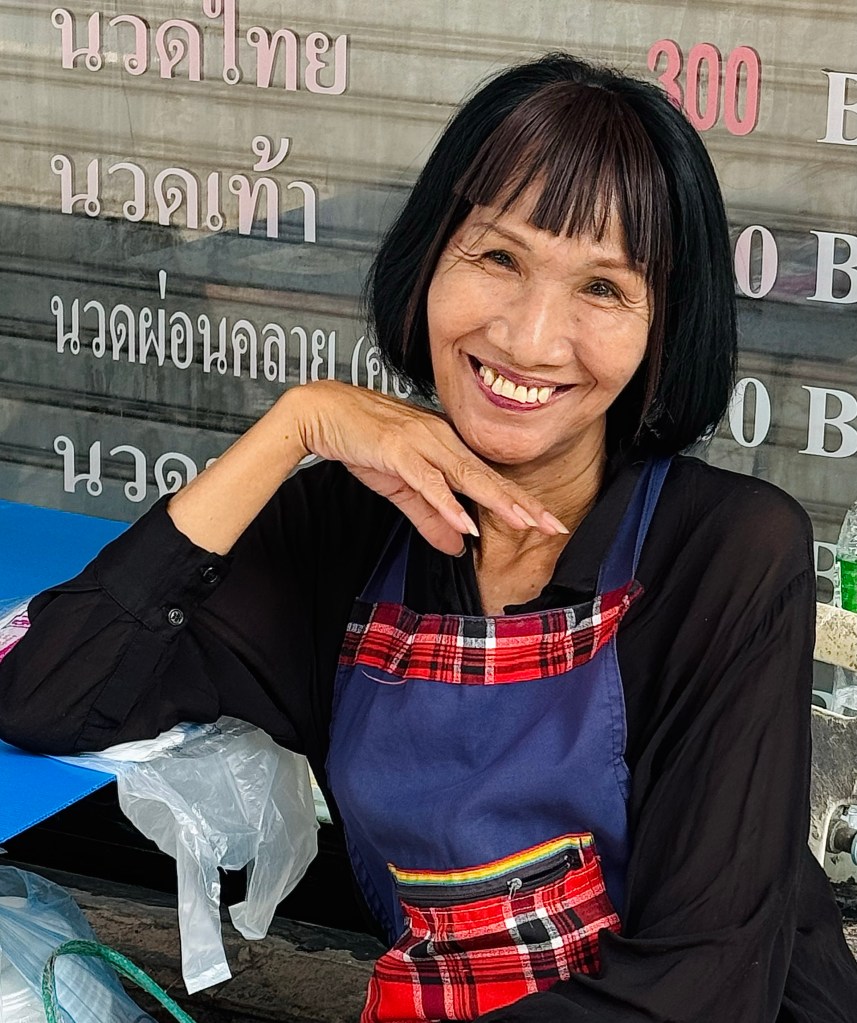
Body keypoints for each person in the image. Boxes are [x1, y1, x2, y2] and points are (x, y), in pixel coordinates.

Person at [1, 50, 856, 1023]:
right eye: (498, 258)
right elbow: (42, 695)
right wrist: (292, 428)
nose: (530, 338)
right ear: (428, 263)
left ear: (663, 329)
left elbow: (702, 986)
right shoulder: (342, 532)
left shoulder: (726, 550)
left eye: (602, 289)